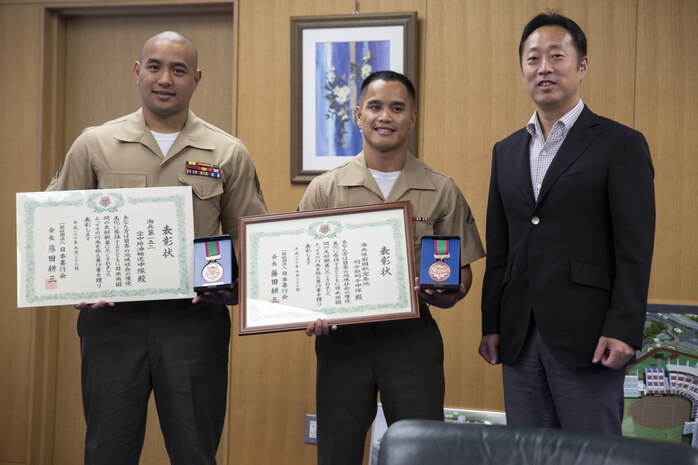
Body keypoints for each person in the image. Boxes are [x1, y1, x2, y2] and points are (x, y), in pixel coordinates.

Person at [46, 31, 267, 465]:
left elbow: (251, 235)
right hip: (112, 324)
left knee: (195, 450)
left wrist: (240, 288)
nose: (165, 79)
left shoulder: (227, 152)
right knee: (107, 451)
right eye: (155, 66)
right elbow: (54, 223)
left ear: (196, 79)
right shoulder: (94, 145)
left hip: (193, 322)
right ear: (137, 71)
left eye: (179, 70)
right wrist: (68, 286)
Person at [479, 12, 655, 434]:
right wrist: (491, 322)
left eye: (557, 56)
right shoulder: (505, 151)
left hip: (590, 335)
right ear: (521, 69)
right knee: (528, 453)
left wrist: (623, 329)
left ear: (581, 66)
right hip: (519, 334)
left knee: (590, 455)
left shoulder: (620, 144)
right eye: (533, 58)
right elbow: (500, 246)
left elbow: (634, 247)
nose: (544, 68)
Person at [300, 70, 485, 465]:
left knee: (423, 451)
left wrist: (453, 290)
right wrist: (307, 310)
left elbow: (463, 270)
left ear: (412, 117)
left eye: (397, 108)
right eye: (376, 107)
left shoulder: (441, 189)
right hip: (341, 342)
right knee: (337, 451)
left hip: (411, 339)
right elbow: (303, 271)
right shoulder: (325, 189)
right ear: (357, 114)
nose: (386, 116)